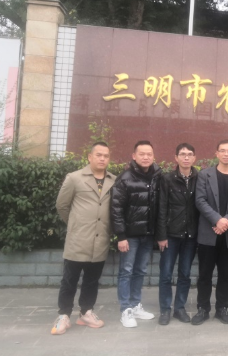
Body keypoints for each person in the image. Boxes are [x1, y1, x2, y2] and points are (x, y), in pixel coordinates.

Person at [51, 142, 115, 335]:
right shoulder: (75, 178)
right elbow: (62, 205)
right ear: (90, 157)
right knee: (69, 279)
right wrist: (75, 224)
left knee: (92, 280)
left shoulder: (113, 180)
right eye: (98, 155)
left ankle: (86, 312)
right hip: (78, 239)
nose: (102, 158)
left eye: (106, 156)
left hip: (101, 239)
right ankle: (63, 315)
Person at [191, 140, 228, 325]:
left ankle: (222, 308)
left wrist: (226, 221)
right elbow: (200, 200)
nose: (226, 154)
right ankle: (203, 308)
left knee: (225, 274)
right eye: (222, 150)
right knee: (204, 274)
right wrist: (217, 220)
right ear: (216, 153)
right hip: (208, 232)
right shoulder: (204, 175)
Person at [111, 140, 162, 328]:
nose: (146, 157)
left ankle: (135, 304)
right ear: (134, 156)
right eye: (142, 154)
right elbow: (116, 208)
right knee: (126, 271)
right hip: (130, 235)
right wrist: (121, 236)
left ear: (153, 156)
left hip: (147, 234)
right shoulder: (125, 178)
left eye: (149, 154)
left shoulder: (157, 176)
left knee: (140, 271)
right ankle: (125, 309)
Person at [156, 143, 199, 325]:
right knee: (166, 274)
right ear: (176, 158)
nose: (186, 157)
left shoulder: (199, 178)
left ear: (194, 158)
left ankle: (179, 308)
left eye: (189, 154)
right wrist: (161, 235)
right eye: (182, 154)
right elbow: (161, 208)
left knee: (185, 274)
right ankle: (165, 309)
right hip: (171, 235)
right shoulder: (167, 179)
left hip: (191, 236)